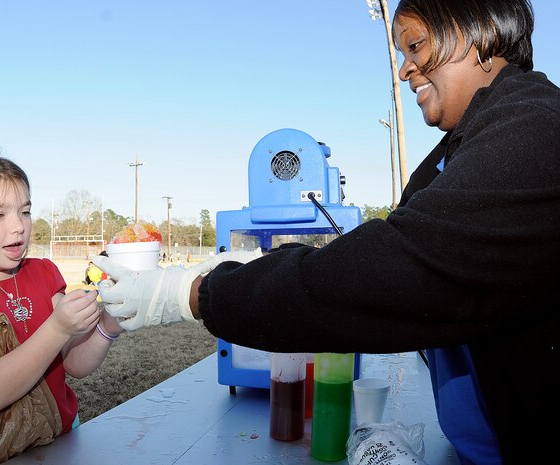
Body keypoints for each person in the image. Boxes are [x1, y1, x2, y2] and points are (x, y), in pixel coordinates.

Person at [93, 1, 558, 463]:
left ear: (477, 31)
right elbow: (367, 250)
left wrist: (191, 294)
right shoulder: (459, 149)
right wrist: (244, 268)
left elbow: (386, 272)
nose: (403, 70)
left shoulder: (534, 132)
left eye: (415, 46)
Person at [0, 148, 123, 464]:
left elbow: (74, 363)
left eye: (25, 211)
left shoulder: (44, 272)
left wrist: (109, 324)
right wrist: (57, 327)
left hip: (54, 438)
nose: (18, 226)